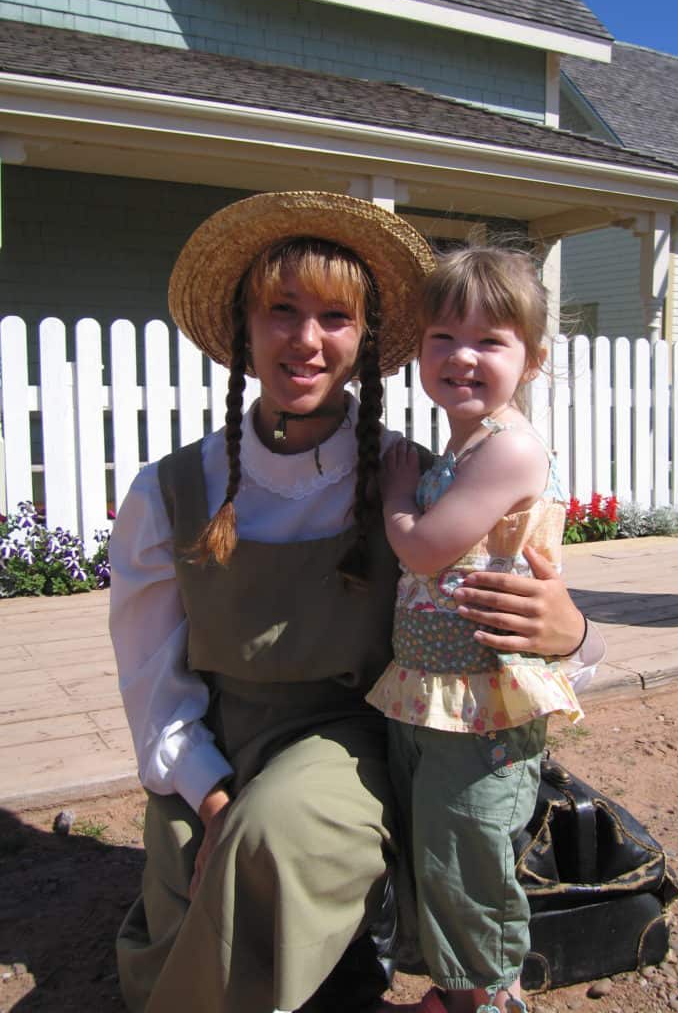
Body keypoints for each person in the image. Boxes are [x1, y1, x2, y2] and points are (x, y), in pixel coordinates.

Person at [108, 192, 603, 1013]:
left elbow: (510, 610)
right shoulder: (169, 492)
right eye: (281, 310)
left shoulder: (408, 480)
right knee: (188, 901)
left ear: (368, 340)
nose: (305, 340)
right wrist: (208, 788)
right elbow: (150, 680)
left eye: (335, 316)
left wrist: (575, 634)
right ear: (242, 328)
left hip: (351, 736)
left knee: (272, 839)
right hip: (215, 747)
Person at [367, 245, 595, 1013]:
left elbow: (426, 548)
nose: (462, 356)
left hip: (483, 698)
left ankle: (489, 996)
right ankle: (456, 985)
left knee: (467, 849)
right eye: (443, 338)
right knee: (434, 845)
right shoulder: (462, 450)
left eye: (489, 341)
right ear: (419, 350)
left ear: (529, 360)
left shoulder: (511, 447)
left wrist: (399, 495)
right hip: (433, 691)